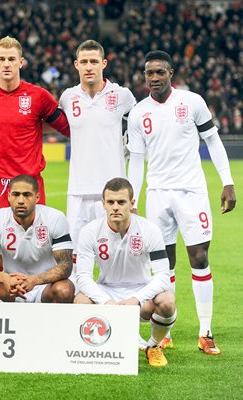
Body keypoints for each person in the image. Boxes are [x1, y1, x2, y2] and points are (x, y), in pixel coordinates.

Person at [127, 50, 236, 355]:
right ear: (145, 76)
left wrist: (227, 181)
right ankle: (166, 331)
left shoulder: (192, 102)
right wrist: (133, 197)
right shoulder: (139, 112)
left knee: (199, 258)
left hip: (191, 192)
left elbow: (213, 140)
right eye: (149, 73)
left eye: (160, 72)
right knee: (165, 264)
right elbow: (136, 160)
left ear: (171, 73)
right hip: (158, 194)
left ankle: (205, 332)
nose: (154, 78)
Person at [75, 178, 176, 367]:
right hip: (107, 290)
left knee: (167, 300)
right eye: (110, 202)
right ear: (103, 204)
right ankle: (96, 347)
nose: (115, 207)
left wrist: (136, 299)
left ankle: (153, 346)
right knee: (80, 300)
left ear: (132, 203)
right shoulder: (90, 231)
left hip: (140, 293)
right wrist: (106, 301)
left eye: (121, 202)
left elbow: (163, 275)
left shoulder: (150, 230)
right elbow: (82, 277)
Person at [0, 36, 71, 224]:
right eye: (2, 59)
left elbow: (69, 129)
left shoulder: (39, 96)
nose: (6, 64)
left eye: (11, 59)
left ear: (21, 62)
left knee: (34, 248)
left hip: (29, 184)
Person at [59, 40, 136, 249]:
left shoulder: (122, 95)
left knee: (117, 256)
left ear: (104, 63)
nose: (89, 66)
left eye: (94, 61)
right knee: (74, 258)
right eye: (84, 62)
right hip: (78, 191)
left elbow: (139, 128)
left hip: (113, 192)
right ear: (76, 65)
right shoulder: (67, 97)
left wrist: (129, 151)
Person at [0, 175, 74, 303]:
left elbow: (65, 265)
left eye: (27, 195)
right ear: (9, 196)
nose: (21, 200)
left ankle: (52, 323)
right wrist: (5, 278)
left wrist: (34, 280)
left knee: (64, 290)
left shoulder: (55, 218)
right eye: (16, 194)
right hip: (11, 286)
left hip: (44, 286)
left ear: (37, 197)